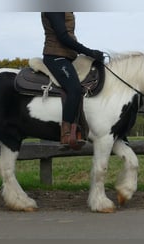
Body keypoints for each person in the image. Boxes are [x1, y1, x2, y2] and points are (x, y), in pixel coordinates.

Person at [41, 12, 104, 150]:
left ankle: (82, 127)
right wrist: (90, 52)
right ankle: (66, 134)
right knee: (74, 89)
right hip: (55, 56)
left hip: (69, 57)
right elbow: (63, 37)